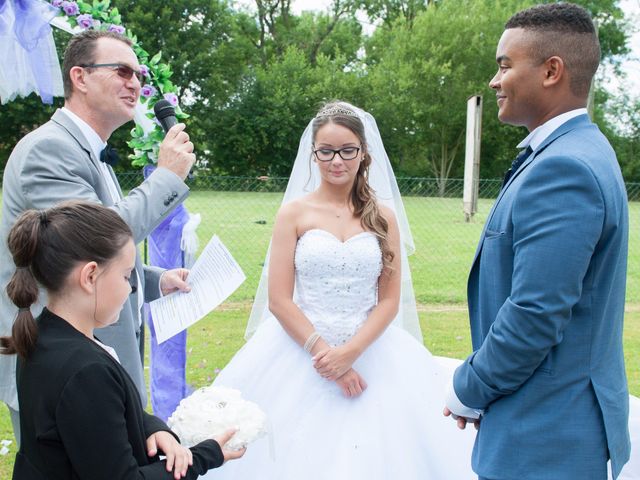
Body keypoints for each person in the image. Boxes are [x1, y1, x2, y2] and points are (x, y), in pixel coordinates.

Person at [199, 101, 476, 480]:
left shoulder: (382, 217)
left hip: (371, 349)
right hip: (301, 347)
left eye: (347, 150)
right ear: (313, 154)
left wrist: (351, 352)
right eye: (326, 151)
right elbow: (279, 299)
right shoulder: (293, 214)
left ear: (363, 154)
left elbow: (390, 300)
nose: (336, 161)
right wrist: (327, 357)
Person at [444, 4, 631, 479]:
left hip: (546, 437)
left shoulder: (562, 169)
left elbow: (534, 313)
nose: (494, 80)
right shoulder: (579, 149)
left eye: (505, 64)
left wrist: (470, 386)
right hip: (553, 427)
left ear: (552, 71)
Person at [0, 29, 194, 439]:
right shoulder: (47, 149)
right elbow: (91, 241)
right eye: (122, 71)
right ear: (80, 77)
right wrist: (166, 178)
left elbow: (89, 263)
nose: (136, 84)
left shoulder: (93, 152)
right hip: (59, 368)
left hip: (94, 362)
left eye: (139, 75)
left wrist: (156, 279)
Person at [0, 201, 245, 479]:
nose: (130, 288)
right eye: (126, 275)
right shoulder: (85, 371)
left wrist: (153, 427)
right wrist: (204, 456)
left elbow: (99, 419)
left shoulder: (44, 333)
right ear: (90, 276)